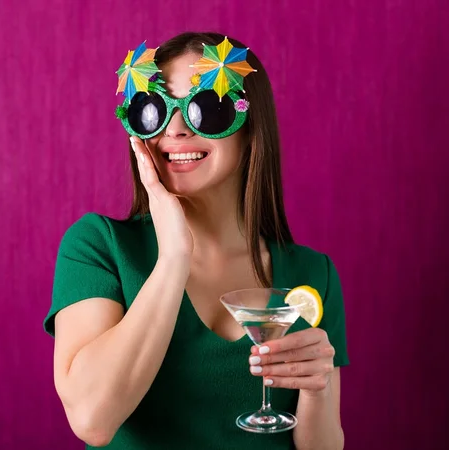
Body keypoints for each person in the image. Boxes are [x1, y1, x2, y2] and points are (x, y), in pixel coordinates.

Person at [43, 31, 349, 450]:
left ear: (250, 126)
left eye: (207, 108)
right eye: (154, 109)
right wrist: (174, 257)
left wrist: (317, 388)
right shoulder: (99, 247)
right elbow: (92, 419)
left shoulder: (314, 274)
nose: (175, 128)